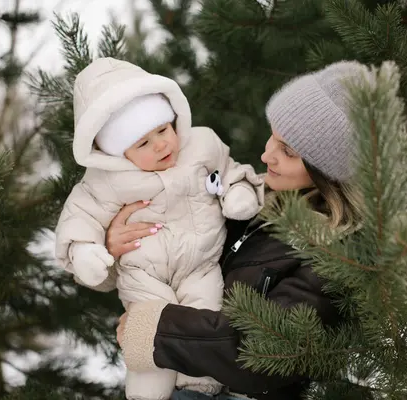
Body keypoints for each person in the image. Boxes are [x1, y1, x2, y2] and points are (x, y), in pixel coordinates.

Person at [109, 60, 369, 400]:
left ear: (328, 172)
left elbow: (266, 352)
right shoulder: (250, 201)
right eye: (273, 138)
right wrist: (115, 242)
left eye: (287, 152)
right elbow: (177, 256)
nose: (265, 155)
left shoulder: (336, 252)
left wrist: (157, 330)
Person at [54, 57, 265, 400]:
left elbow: (231, 169)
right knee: (148, 339)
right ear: (116, 153)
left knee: (204, 316)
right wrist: (86, 250)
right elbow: (80, 216)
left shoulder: (201, 145)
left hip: (201, 266)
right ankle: (146, 395)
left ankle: (200, 388)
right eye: (143, 143)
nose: (162, 145)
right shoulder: (106, 181)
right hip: (143, 276)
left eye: (163, 130)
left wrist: (238, 192)